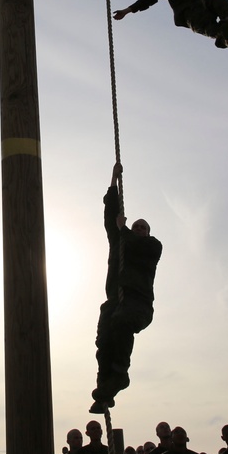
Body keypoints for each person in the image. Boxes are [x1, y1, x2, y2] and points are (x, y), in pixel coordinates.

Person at [91, 162, 163, 412]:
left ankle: (120, 375)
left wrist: (125, 230)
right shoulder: (121, 241)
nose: (139, 229)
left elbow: (136, 244)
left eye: (142, 227)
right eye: (136, 226)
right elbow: (111, 216)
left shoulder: (152, 246)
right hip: (116, 303)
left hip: (138, 305)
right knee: (104, 340)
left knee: (121, 323)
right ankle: (105, 388)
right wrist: (113, 180)